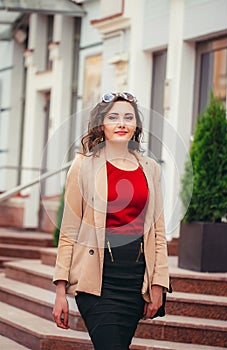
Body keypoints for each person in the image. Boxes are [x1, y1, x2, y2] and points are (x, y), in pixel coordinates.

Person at [52, 92, 170, 350]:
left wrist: (158, 284)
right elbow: (69, 231)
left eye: (129, 117)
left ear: (136, 125)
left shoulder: (150, 168)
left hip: (135, 281)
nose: (122, 123)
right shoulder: (83, 165)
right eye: (113, 117)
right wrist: (60, 291)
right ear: (101, 124)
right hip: (97, 281)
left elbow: (158, 232)